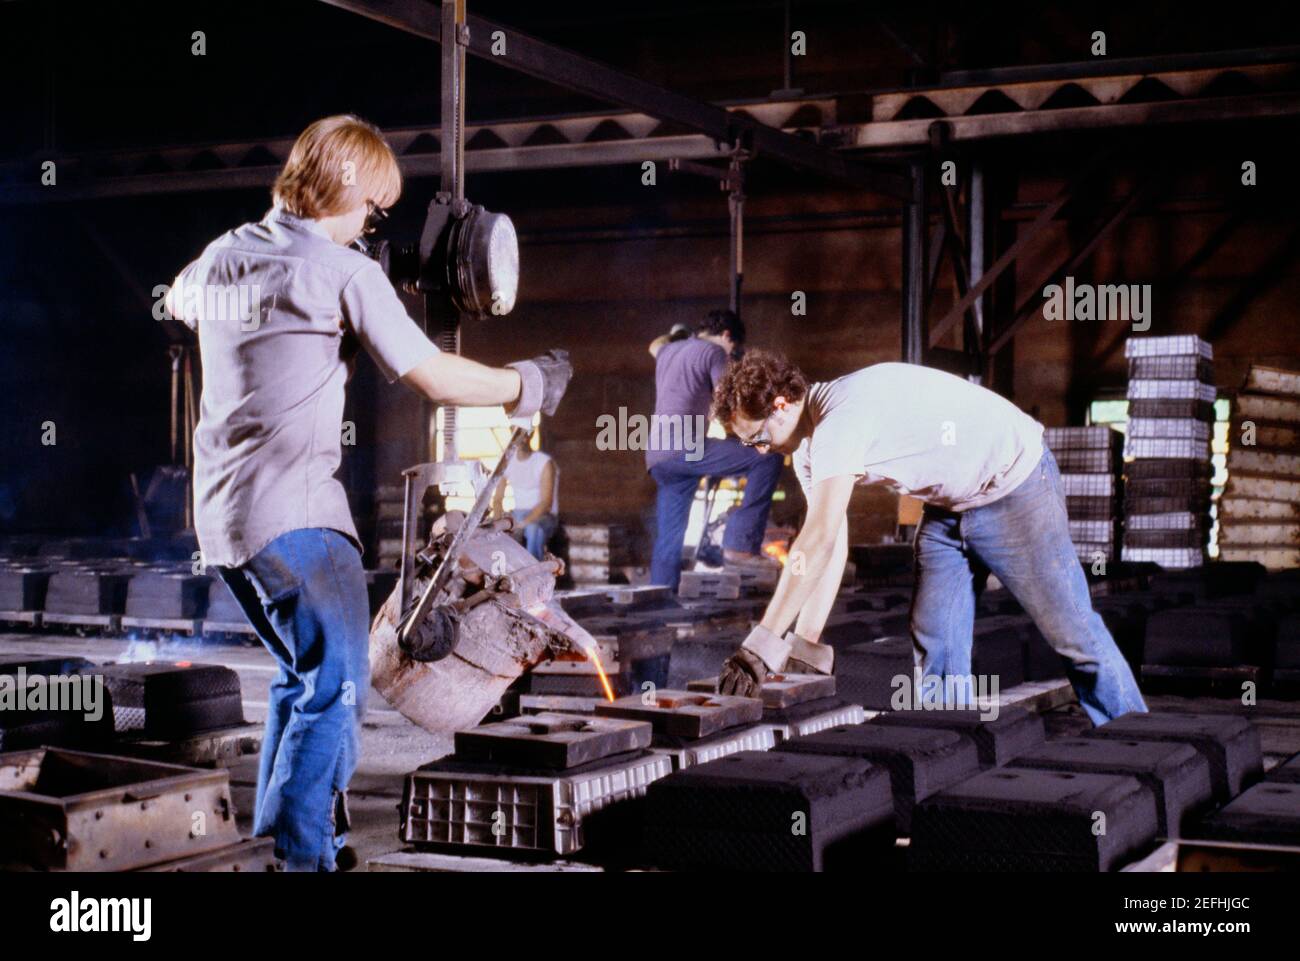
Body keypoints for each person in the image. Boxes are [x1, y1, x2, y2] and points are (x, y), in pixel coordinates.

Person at [164, 115, 571, 871]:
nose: (370, 223)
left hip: (224, 524)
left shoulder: (222, 255)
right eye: (372, 209)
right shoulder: (345, 274)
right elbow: (435, 377)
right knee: (337, 693)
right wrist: (529, 384)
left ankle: (285, 843)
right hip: (299, 521)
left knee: (302, 680)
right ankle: (307, 859)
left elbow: (183, 302)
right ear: (344, 191)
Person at [711, 350, 1147, 727]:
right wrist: (804, 642)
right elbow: (831, 541)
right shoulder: (808, 448)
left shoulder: (839, 421)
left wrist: (762, 643)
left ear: (781, 405)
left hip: (1015, 486)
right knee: (936, 637)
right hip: (948, 510)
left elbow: (817, 538)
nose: (760, 452)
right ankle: (951, 749)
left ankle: (1134, 742)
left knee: (1072, 634)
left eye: (757, 439)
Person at [647, 309, 783, 590]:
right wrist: (758, 435)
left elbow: (656, 344)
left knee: (669, 538)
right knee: (767, 458)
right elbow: (728, 404)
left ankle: (660, 598)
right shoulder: (713, 352)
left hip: (658, 455)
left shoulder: (667, 351)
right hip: (687, 448)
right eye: (733, 349)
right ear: (726, 336)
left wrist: (680, 335)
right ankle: (740, 545)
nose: (731, 355)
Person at [492, 431, 559, 559]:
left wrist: (523, 523)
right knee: (503, 535)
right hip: (518, 513)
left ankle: (534, 571)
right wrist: (497, 524)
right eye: (516, 435)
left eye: (524, 435)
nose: (521, 440)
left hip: (544, 516)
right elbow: (498, 499)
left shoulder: (544, 462)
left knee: (533, 530)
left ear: (531, 435)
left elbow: (546, 502)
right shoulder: (508, 461)